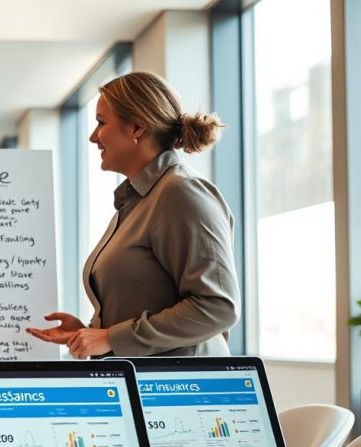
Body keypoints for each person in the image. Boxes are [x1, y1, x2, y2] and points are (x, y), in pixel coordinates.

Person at [28, 72, 239, 359]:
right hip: (145, 386)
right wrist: (89, 332)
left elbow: (218, 306)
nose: (93, 137)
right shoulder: (138, 199)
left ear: (137, 127)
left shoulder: (181, 193)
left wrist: (111, 337)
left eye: (101, 123)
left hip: (183, 391)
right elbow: (145, 302)